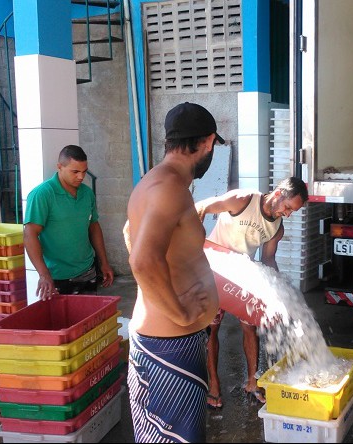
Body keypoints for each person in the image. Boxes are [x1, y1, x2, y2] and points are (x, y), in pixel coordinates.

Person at [124, 102, 222, 443]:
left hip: (173, 341)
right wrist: (180, 313)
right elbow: (142, 260)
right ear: (208, 142)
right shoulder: (168, 189)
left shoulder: (157, 183)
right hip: (167, 345)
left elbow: (130, 235)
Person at [196, 177, 309, 408]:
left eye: (292, 212)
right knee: (211, 329)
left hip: (241, 276)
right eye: (288, 208)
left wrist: (277, 289)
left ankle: (252, 382)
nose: (287, 214)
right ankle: (214, 384)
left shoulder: (277, 228)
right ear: (278, 194)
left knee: (251, 328)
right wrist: (194, 242)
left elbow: (268, 259)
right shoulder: (243, 200)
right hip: (214, 271)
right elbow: (202, 206)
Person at [24, 145, 114, 300]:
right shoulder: (42, 194)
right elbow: (29, 234)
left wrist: (104, 262)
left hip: (87, 271)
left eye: (84, 171)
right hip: (57, 277)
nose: (81, 177)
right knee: (64, 323)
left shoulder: (87, 194)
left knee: (90, 320)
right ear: (60, 167)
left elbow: (93, 226)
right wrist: (44, 274)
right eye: (75, 171)